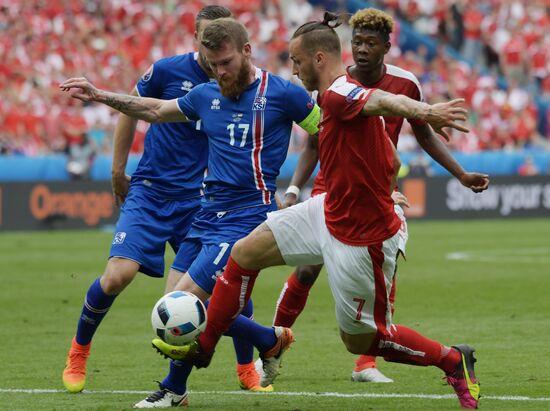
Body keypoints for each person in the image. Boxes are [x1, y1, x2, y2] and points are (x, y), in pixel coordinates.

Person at [149, 12, 482, 410]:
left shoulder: (341, 92)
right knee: (244, 253)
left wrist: (425, 112)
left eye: (297, 61)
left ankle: (452, 359)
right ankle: (203, 349)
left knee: (362, 339)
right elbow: (387, 154)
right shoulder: (331, 95)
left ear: (319, 59)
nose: (293, 70)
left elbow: (383, 101)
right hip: (328, 209)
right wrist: (381, 182)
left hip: (361, 234)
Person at [61, 17, 321, 407]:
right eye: (213, 64)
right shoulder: (204, 94)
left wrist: (299, 188)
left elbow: (325, 133)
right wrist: (99, 94)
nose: (220, 71)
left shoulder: (283, 93)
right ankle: (268, 340)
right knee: (174, 317)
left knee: (182, 308)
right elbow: (151, 109)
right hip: (206, 215)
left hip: (247, 217)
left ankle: (173, 389)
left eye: (226, 62)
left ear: (247, 51)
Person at [267, 7, 490, 384]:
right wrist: (292, 189)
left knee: (383, 271)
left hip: (380, 188)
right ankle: (271, 347)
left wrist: (461, 174)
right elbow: (313, 144)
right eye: (357, 41)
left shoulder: (406, 84)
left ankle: (365, 364)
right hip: (334, 183)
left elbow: (424, 134)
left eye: (371, 42)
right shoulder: (333, 81)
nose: (362, 49)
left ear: (388, 46)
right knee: (306, 268)